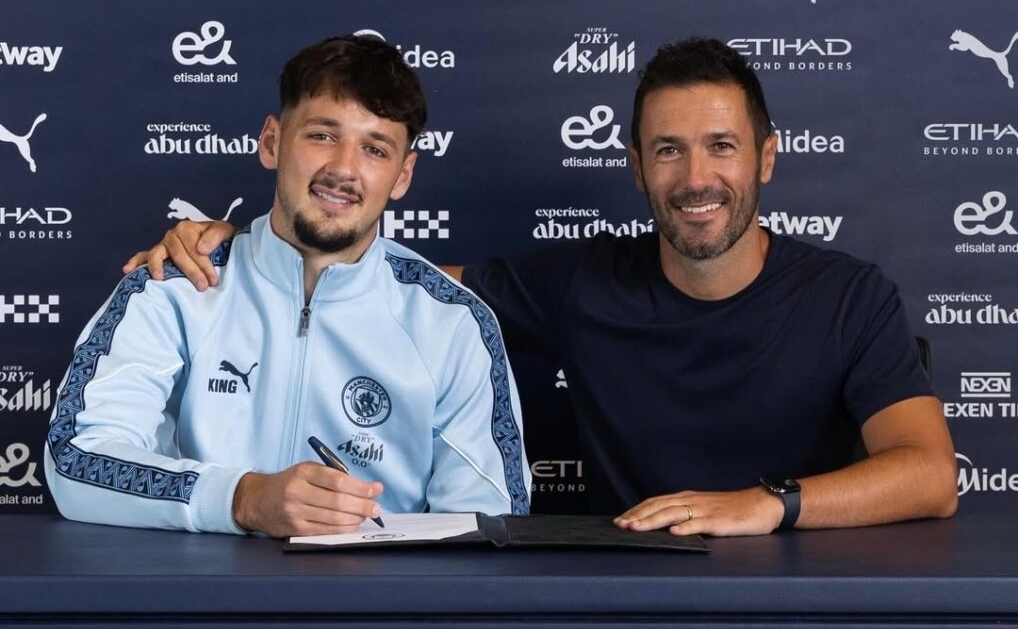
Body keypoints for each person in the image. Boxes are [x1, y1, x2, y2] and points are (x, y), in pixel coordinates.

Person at [125, 38, 956, 537]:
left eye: (721, 147)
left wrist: (766, 506)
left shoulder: (850, 296)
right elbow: (382, 280)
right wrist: (247, 244)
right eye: (668, 150)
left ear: (766, 157)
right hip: (631, 596)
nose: (696, 178)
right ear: (636, 166)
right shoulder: (584, 282)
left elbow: (929, 475)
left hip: (805, 597)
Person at [47, 34, 529, 536]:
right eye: (322, 135)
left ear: (403, 174)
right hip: (194, 588)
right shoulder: (173, 287)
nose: (343, 168)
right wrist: (243, 498)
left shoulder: (453, 323)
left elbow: (488, 524)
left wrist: (376, 556)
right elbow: (76, 460)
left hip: (377, 590)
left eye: (374, 149)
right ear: (271, 142)